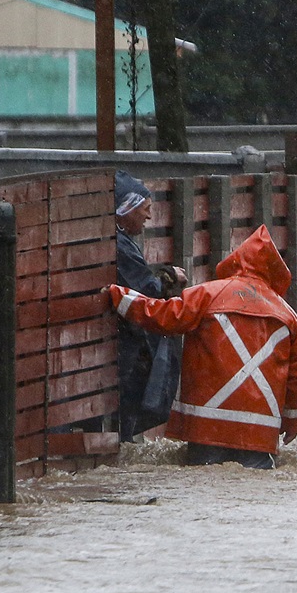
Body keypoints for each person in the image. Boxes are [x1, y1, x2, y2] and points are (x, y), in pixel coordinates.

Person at [104, 224, 297, 469]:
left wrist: (119, 296)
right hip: (259, 434)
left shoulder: (208, 294)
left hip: (205, 426)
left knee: (204, 479)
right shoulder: (288, 316)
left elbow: (162, 316)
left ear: (237, 261)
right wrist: (292, 424)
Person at [114, 170, 187, 443]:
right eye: (144, 209)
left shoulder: (121, 242)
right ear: (126, 208)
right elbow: (144, 291)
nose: (148, 217)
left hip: (124, 348)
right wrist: (169, 278)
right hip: (127, 349)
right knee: (132, 406)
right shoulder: (121, 246)